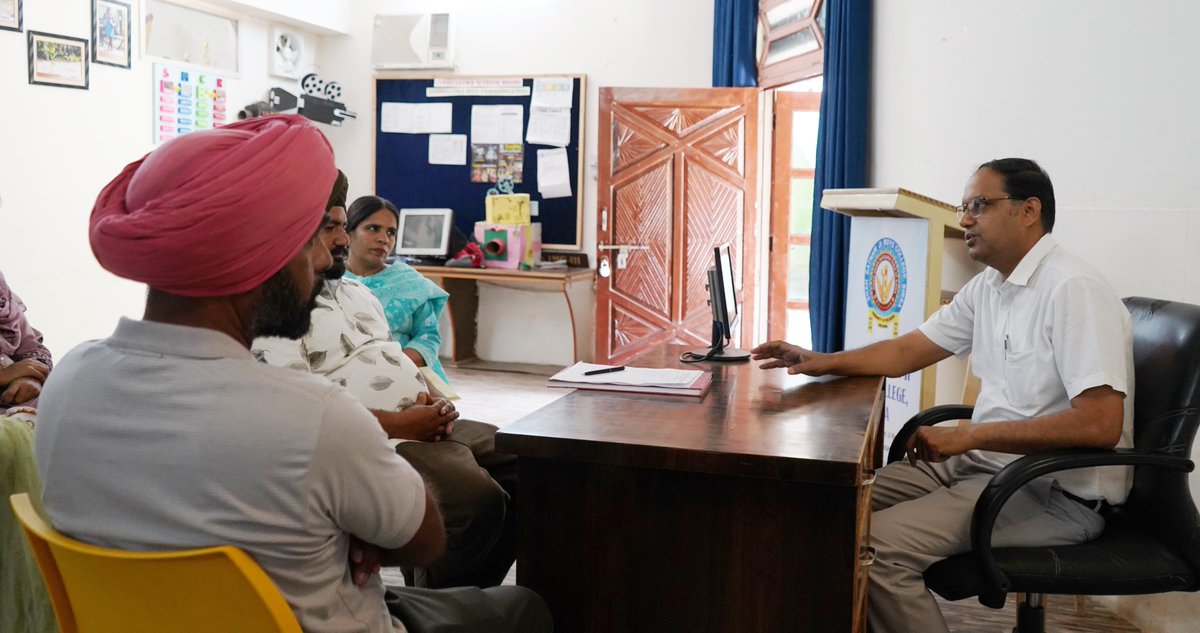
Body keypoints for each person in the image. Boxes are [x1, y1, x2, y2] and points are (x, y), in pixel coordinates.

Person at [34, 115, 551, 633]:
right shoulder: (314, 416)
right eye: (310, 242)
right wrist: (356, 518)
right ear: (263, 257)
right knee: (525, 607)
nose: (324, 257)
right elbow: (426, 539)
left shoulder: (68, 382)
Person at [752, 158, 1134, 633]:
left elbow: (1099, 425)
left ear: (1029, 209)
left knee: (878, 549)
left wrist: (969, 435)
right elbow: (907, 350)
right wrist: (819, 360)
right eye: (963, 206)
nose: (965, 219)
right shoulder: (990, 286)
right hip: (985, 466)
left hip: (1051, 489)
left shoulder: (1073, 289)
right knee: (830, 506)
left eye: (979, 205)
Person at [254, 181, 516, 590]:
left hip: (421, 417)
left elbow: (389, 355)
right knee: (474, 502)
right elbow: (294, 409)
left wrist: (430, 398)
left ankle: (459, 598)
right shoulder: (282, 304)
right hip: (378, 432)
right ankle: (436, 609)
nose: (341, 239)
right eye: (330, 228)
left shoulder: (357, 291)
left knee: (535, 464)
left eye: (342, 227)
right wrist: (403, 424)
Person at [343, 195, 451, 382]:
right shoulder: (330, 281)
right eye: (373, 228)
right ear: (349, 232)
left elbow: (428, 337)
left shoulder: (408, 282)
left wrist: (392, 366)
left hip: (409, 373)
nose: (384, 239)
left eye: (391, 232)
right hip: (347, 375)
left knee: (440, 411)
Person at [0, 271, 53, 409]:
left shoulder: (4, 298)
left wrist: (31, 377)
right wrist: (5, 375)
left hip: (17, 406)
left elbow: (31, 347)